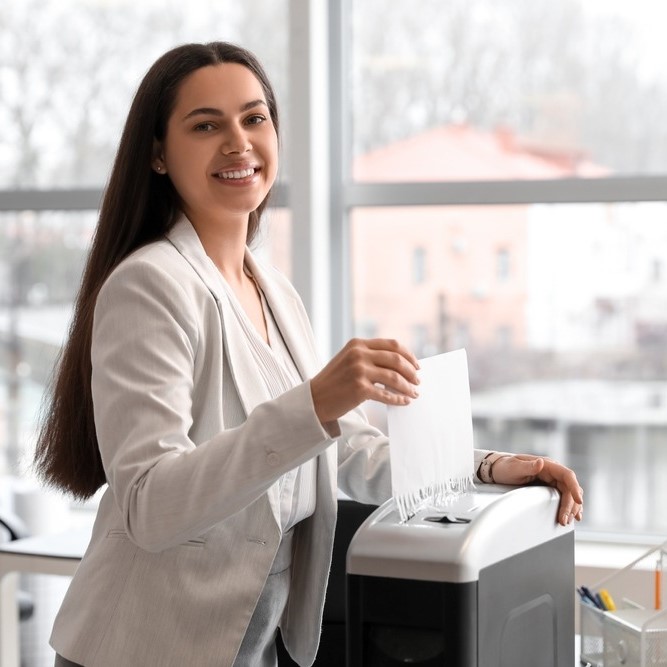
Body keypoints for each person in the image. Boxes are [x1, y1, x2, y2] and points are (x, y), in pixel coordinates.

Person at [34, 41, 583, 667]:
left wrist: (489, 468)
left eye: (254, 117)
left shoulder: (272, 289)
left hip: (247, 644)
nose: (238, 142)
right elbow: (151, 507)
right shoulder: (150, 284)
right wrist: (315, 403)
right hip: (140, 649)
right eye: (206, 125)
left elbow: (349, 452)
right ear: (158, 153)